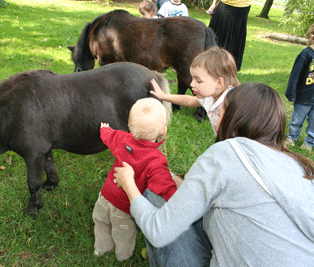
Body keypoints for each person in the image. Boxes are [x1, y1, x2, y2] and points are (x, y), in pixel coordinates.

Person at [114, 82, 314, 266]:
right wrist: (178, 180)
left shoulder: (227, 153)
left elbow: (158, 231)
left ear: (232, 118)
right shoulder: (298, 167)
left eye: (220, 111)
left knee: (155, 194)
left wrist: (130, 185)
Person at [93, 98, 178, 262]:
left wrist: (105, 130)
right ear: (163, 130)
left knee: (101, 223)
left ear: (129, 126)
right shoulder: (156, 160)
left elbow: (110, 136)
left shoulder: (123, 138)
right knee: (123, 233)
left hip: (104, 197)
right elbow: (163, 185)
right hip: (124, 209)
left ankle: (101, 249)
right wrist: (174, 196)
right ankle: (122, 257)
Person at [150, 46, 240, 134]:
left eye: (199, 81)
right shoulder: (211, 96)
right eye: (192, 79)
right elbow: (189, 100)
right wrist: (163, 96)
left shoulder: (232, 104)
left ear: (219, 83)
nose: (192, 84)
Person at [285, 24, 314, 151]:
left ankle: (309, 141)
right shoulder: (306, 54)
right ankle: (291, 137)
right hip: (304, 95)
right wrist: (291, 93)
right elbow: (295, 74)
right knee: (297, 118)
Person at [208, 0, 251, 71]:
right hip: (225, 7)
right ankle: (210, 65)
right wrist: (213, 4)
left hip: (241, 9)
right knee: (216, 39)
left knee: (233, 42)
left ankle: (227, 69)